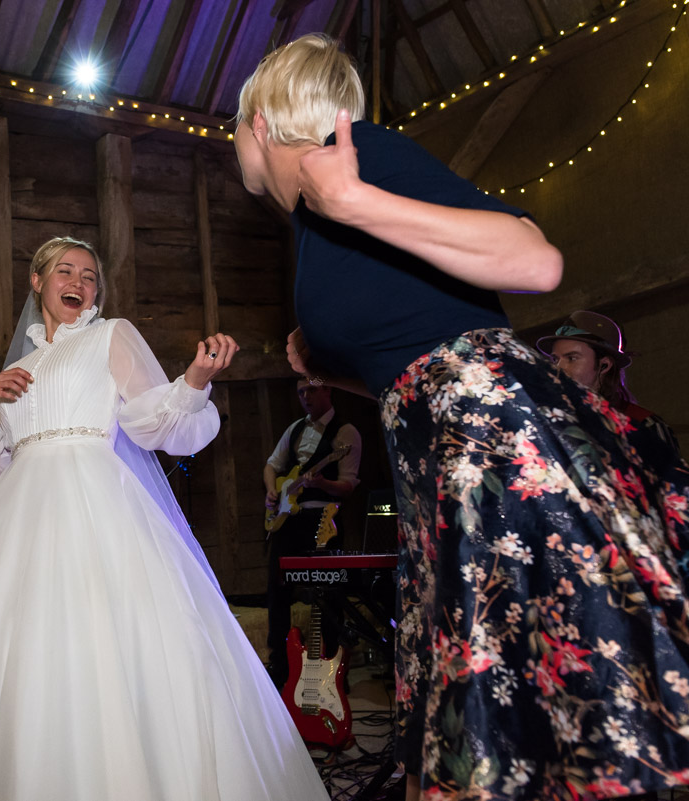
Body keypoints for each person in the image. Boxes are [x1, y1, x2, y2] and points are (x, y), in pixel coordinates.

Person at [234, 33, 689, 800]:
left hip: (496, 443)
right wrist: (333, 371)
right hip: (439, 459)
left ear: (257, 121)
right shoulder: (311, 222)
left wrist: (354, 197)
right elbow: (415, 366)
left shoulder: (352, 157)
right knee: (498, 705)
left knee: (558, 683)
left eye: (233, 129)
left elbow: (533, 261)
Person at [0, 237, 328, 801]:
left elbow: (152, 424)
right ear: (36, 282)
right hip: (19, 526)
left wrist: (193, 379)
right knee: (18, 662)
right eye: (65, 271)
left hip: (97, 509)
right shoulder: (15, 370)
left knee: (113, 649)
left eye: (90, 276)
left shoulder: (109, 335)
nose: (79, 282)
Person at [263, 376, 361, 688]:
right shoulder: (294, 429)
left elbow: (348, 485)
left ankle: (332, 668)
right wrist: (271, 492)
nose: (306, 396)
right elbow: (271, 466)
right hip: (287, 520)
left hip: (323, 518)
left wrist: (321, 483)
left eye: (312, 390)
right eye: (301, 391)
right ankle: (279, 665)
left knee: (328, 593)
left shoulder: (345, 434)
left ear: (328, 389)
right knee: (277, 590)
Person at [537, 309, 682, 473]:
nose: (558, 368)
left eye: (572, 358)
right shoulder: (549, 420)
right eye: (555, 359)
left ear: (604, 365)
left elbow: (674, 490)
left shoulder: (645, 425)